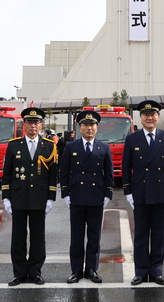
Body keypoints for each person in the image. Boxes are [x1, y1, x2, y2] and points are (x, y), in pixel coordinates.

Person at [122, 100, 164, 286]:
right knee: (140, 234)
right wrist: (128, 190)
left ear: (158, 117)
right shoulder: (132, 138)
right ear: (141, 117)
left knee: (159, 234)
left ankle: (157, 272)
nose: (149, 118)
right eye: (146, 115)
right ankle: (141, 272)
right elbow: (126, 167)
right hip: (140, 192)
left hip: (161, 192)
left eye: (153, 114)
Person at [1, 107, 58, 286]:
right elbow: (7, 173)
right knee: (18, 237)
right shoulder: (14, 145)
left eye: (36, 122)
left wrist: (51, 197)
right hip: (18, 196)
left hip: (39, 197)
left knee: (37, 237)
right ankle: (19, 273)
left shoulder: (49, 146)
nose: (33, 126)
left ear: (41, 125)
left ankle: (35, 272)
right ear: (23, 124)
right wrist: (6, 197)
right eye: (29, 122)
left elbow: (52, 174)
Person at [60, 110, 114, 284]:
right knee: (76, 236)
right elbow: (64, 172)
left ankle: (91, 269)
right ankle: (76, 270)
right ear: (80, 127)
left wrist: (108, 193)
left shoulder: (104, 147)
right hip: (77, 196)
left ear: (97, 128)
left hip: (96, 196)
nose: (89, 128)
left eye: (92, 125)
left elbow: (109, 174)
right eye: (85, 125)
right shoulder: (71, 147)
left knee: (94, 235)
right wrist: (66, 193)